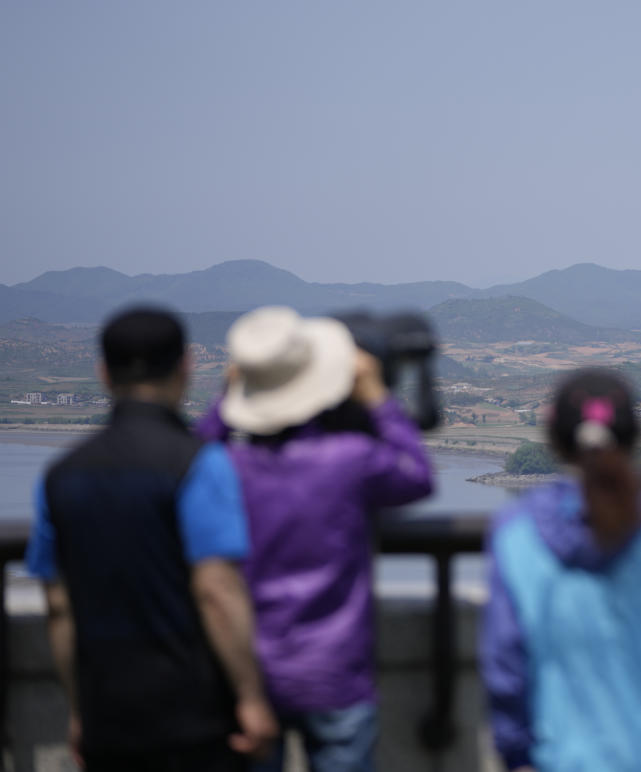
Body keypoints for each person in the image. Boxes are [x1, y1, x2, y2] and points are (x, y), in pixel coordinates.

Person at [24, 306, 278, 771]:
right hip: (192, 711)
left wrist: (79, 712)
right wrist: (251, 696)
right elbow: (216, 589)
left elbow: (59, 608)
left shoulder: (59, 476)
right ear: (186, 366)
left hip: (107, 712)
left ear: (103, 373)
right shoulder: (200, 464)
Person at [197, 306, 435, 772]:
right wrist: (377, 397)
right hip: (336, 672)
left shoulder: (227, 466)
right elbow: (416, 475)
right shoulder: (349, 459)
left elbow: (185, 461)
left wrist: (226, 400)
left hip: (250, 672)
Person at [480, 368, 641, 772]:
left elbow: (505, 667)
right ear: (633, 437)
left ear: (556, 440)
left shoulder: (515, 534)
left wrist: (516, 754)